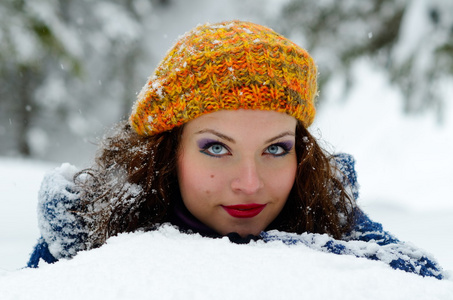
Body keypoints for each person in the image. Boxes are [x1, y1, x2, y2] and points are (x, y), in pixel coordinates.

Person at [27, 20, 443, 279]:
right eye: (216, 148)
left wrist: (286, 254)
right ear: (167, 152)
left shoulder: (325, 210)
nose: (250, 184)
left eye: (276, 150)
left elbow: (421, 280)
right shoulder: (85, 235)